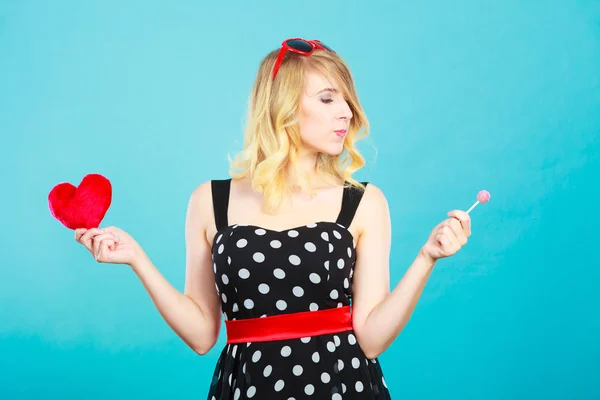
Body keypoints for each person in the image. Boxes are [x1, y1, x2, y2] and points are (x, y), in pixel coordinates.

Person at [74, 38, 471, 399]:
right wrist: (137, 259)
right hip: (246, 388)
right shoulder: (210, 201)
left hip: (341, 386)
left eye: (347, 100)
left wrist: (426, 258)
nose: (347, 113)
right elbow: (200, 335)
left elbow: (370, 340)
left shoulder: (364, 202)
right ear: (283, 105)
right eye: (328, 99)